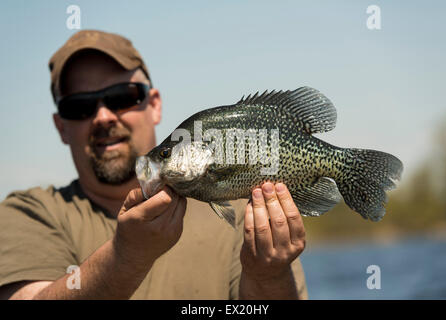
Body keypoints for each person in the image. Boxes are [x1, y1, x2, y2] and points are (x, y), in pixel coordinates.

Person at [0, 30, 308, 300]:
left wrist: (268, 276)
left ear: (155, 104)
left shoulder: (246, 210)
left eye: (122, 97)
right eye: (79, 106)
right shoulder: (30, 213)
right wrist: (126, 257)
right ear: (61, 126)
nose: (103, 116)